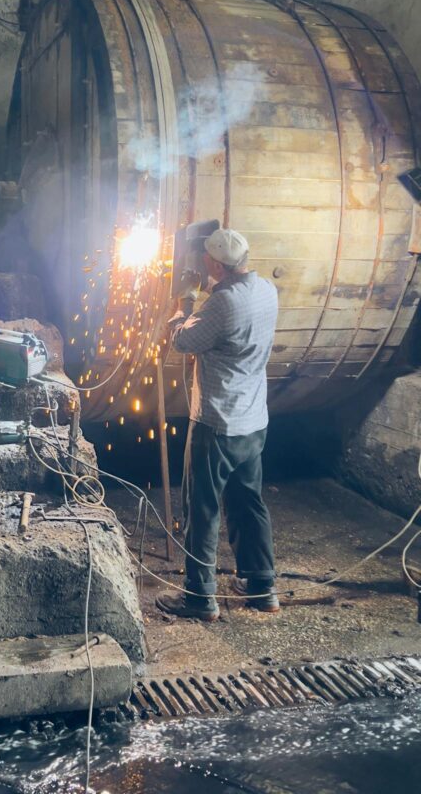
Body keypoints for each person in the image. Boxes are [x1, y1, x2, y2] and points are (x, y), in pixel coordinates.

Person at [155, 227, 279, 622]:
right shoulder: (266, 291)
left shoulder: (221, 303)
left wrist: (184, 301)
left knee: (202, 508)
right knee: (248, 502)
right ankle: (262, 586)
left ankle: (199, 597)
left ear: (212, 263)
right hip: (253, 420)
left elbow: (182, 342)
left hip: (216, 423)